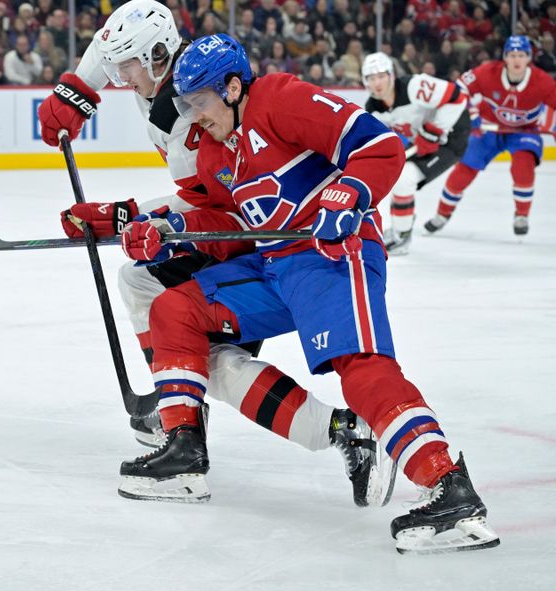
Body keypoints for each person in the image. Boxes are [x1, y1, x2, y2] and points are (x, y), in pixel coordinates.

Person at [118, 33, 500, 555]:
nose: (193, 114)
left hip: (332, 253)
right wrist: (167, 233)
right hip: (273, 263)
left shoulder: (280, 98)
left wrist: (349, 191)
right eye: (184, 103)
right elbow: (232, 225)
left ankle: (449, 487)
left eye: (199, 101)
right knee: (173, 309)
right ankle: (184, 453)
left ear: (232, 88)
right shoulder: (212, 152)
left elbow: (377, 146)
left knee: (361, 369)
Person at [35, 0, 394, 508]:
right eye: (113, 70)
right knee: (173, 324)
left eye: (125, 68)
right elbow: (110, 38)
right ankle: (189, 408)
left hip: (252, 235)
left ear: (158, 56)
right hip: (246, 226)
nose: (119, 78)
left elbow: (211, 200)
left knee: (178, 327)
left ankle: (189, 414)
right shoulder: (168, 74)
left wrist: (125, 216)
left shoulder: (185, 112)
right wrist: (79, 85)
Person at [425, 36, 556, 236]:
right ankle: (442, 214)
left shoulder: (543, 82)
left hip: (524, 132)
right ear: (505, 57)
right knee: (464, 170)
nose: (516, 60)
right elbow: (459, 89)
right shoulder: (488, 72)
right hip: (487, 128)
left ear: (529, 58)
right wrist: (472, 115)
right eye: (512, 55)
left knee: (523, 165)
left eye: (521, 55)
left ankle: (522, 215)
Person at [361, 52, 470, 254]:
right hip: (423, 140)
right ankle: (399, 227)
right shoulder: (373, 109)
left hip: (451, 138)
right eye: (371, 78)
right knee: (397, 178)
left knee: (404, 180)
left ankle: (402, 237)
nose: (378, 82)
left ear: (391, 75)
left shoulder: (415, 86)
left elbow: (457, 98)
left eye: (382, 76)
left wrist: (434, 131)